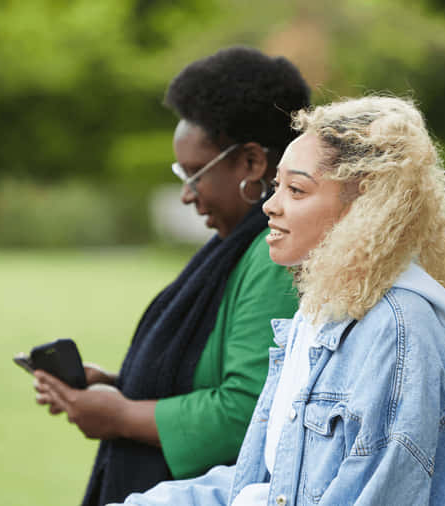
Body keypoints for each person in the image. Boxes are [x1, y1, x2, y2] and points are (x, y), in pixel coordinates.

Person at [116, 95, 445, 505]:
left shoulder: (396, 330)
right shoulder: (321, 313)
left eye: (297, 190)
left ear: (367, 206)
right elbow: (272, 480)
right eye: (276, 187)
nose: (270, 205)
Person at [32, 47, 311, 505]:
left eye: (194, 173)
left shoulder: (272, 255)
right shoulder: (232, 246)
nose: (187, 194)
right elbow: (205, 372)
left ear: (252, 163)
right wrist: (119, 387)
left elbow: (248, 413)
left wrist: (122, 416)